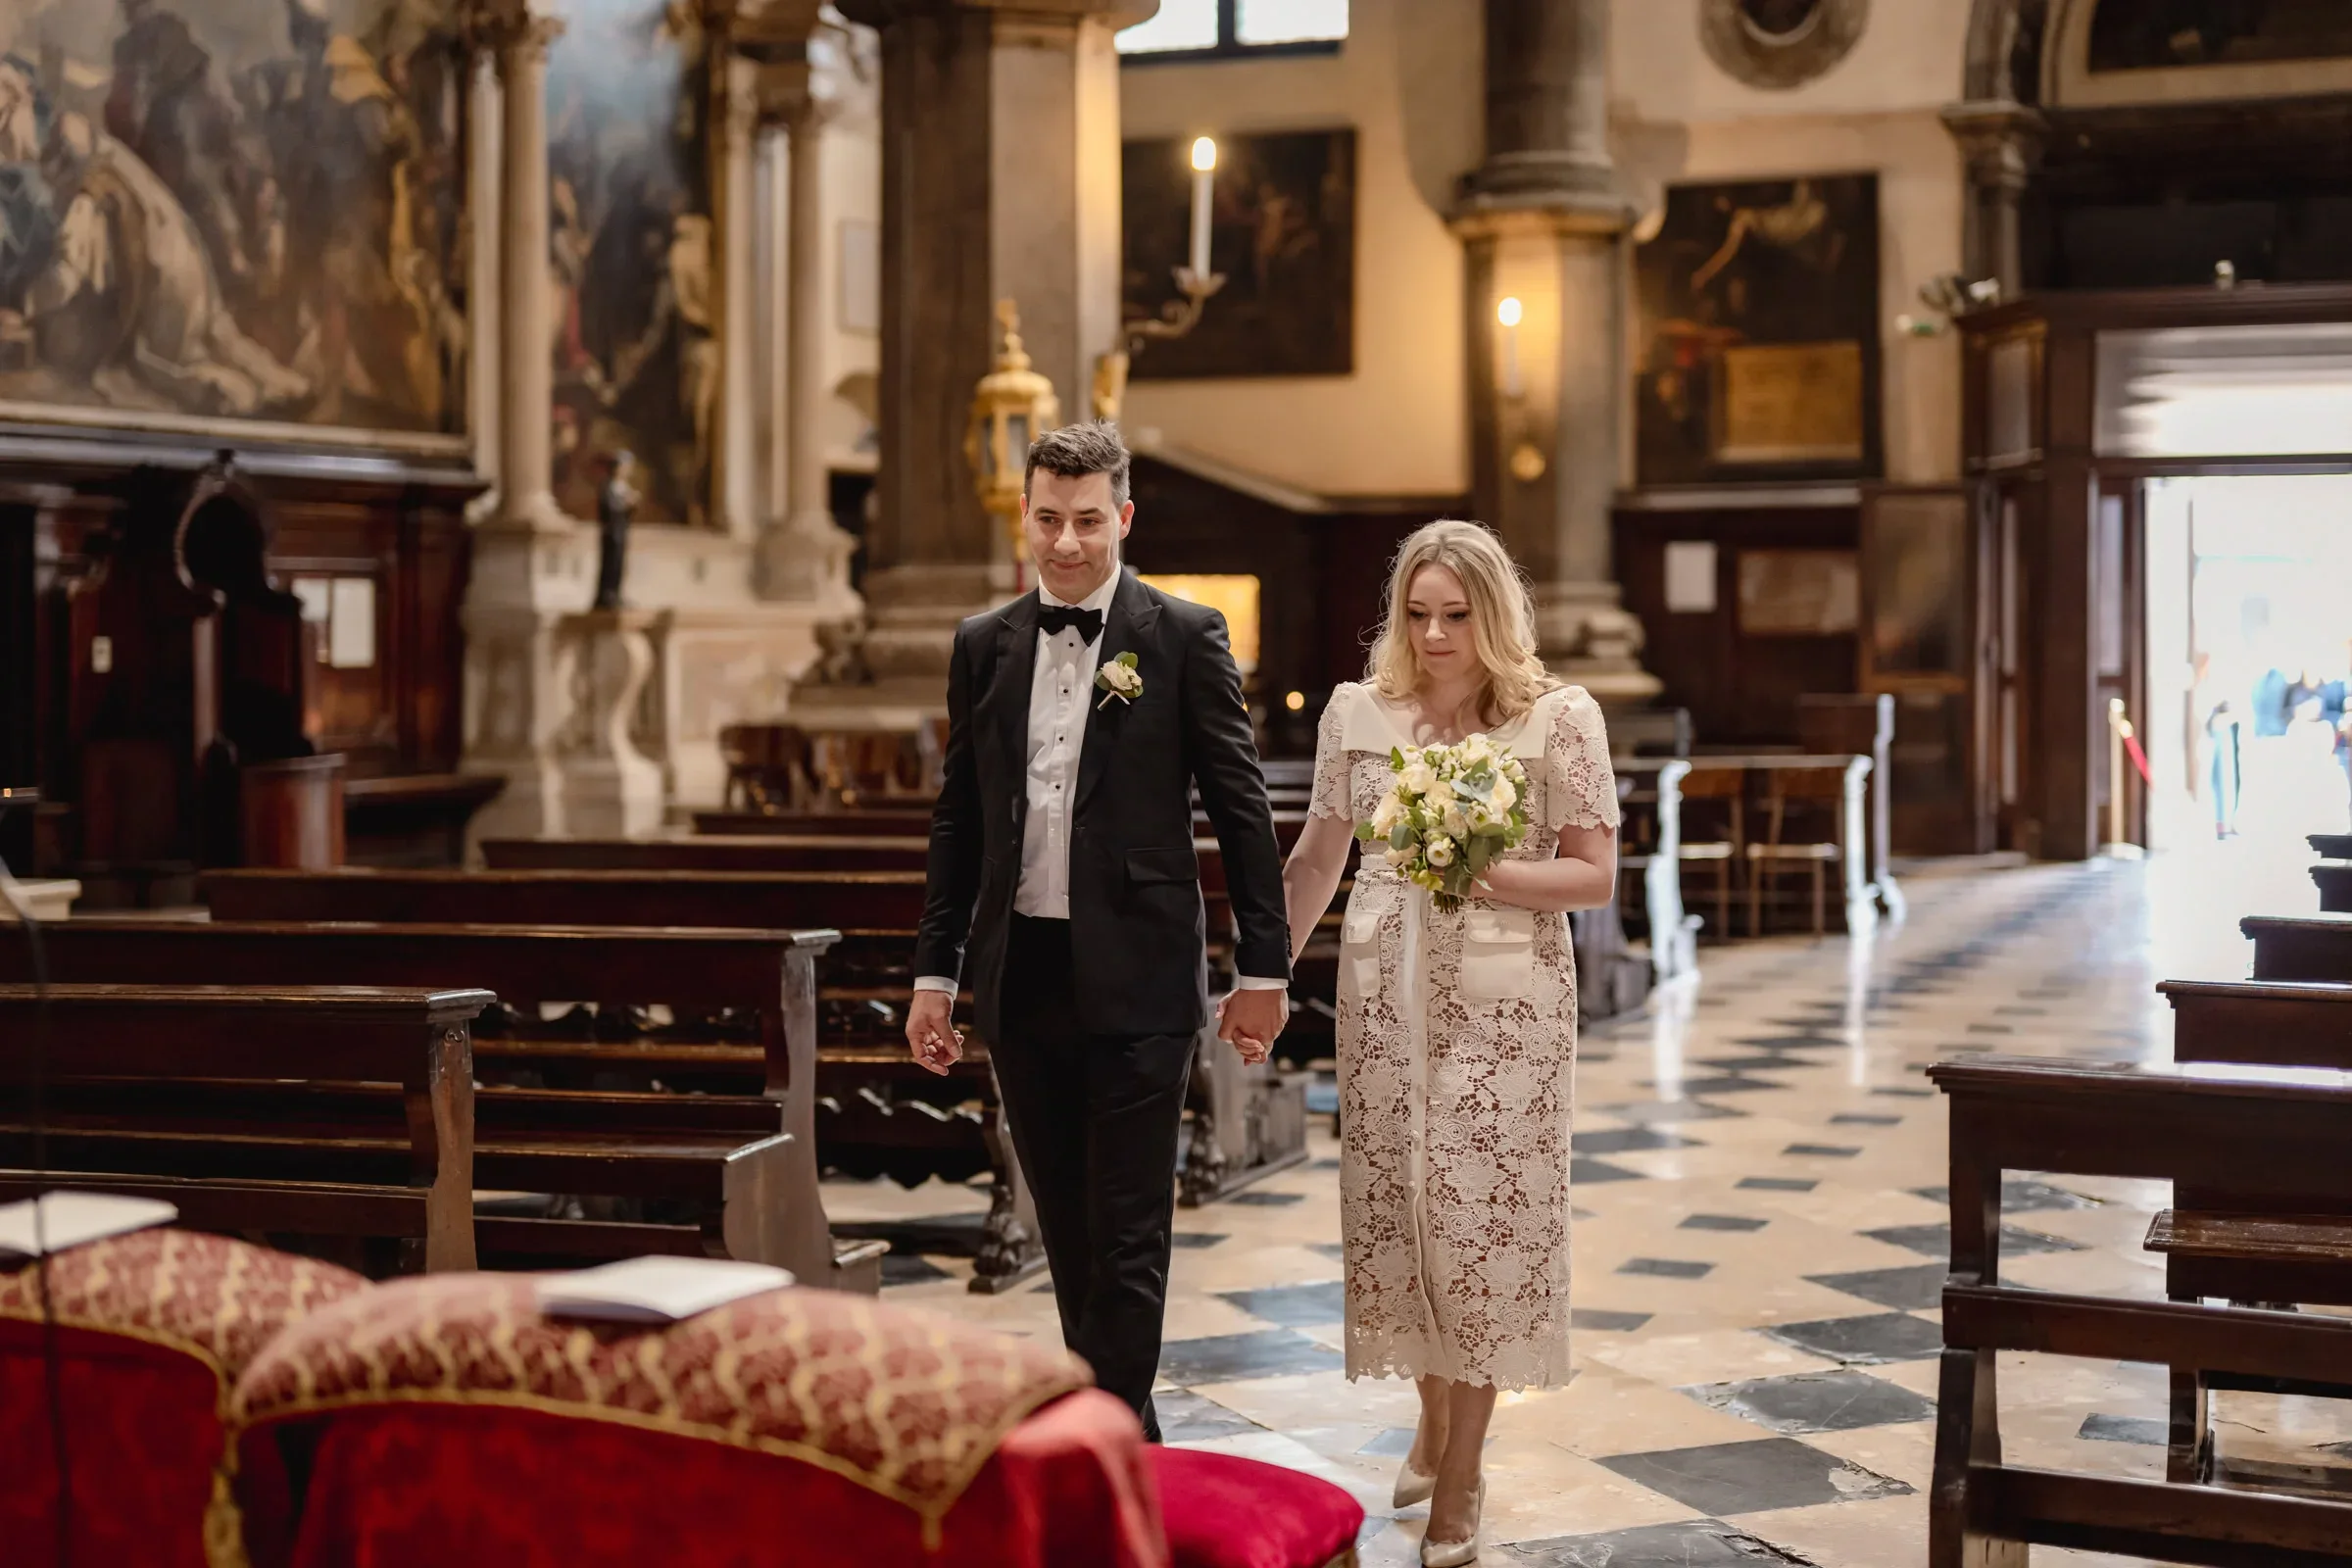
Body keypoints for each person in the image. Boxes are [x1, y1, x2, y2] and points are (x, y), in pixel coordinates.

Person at [906, 420, 1291, 1442]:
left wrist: (1264, 967)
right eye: (1047, 519)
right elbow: (959, 819)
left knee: (1127, 1229)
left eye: (1086, 520)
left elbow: (1242, 810)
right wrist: (935, 974)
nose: (1066, 542)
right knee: (1067, 1224)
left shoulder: (1184, 635)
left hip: (1141, 972)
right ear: (1023, 517)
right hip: (1021, 971)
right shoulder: (982, 643)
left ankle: (1108, 1440)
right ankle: (1125, 1434)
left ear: (1123, 517)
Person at [1268, 519, 1619, 1567]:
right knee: (1404, 1214)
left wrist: (1482, 870)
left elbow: (1594, 875)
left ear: (1494, 615)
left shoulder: (1559, 718)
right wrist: (1261, 978)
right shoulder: (1358, 714)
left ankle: (1462, 1470)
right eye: (1417, 614)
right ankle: (1432, 1413)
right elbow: (1317, 859)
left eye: (1456, 615)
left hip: (1509, 1009)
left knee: (1480, 1227)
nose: (1433, 635)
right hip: (1384, 1003)